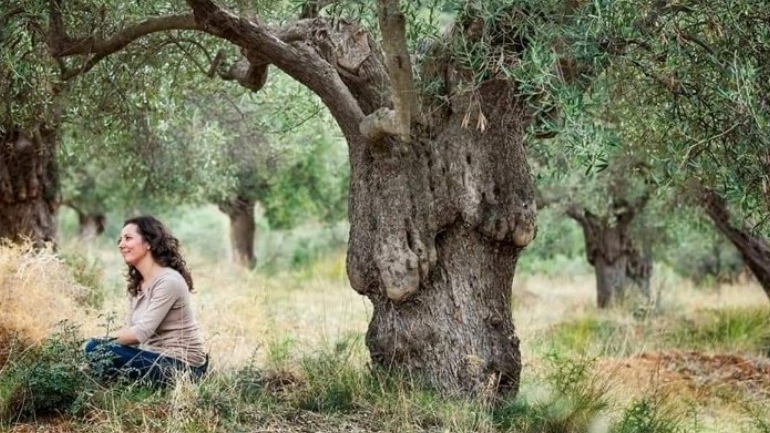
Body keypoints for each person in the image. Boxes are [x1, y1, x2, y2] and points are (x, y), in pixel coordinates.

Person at [84, 216, 208, 386]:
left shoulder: (168, 281)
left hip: (184, 368)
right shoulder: (139, 284)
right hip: (156, 358)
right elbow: (133, 336)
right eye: (120, 240)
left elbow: (141, 333)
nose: (121, 245)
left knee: (95, 348)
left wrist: (97, 341)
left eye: (128, 238)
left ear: (148, 243)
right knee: (99, 353)